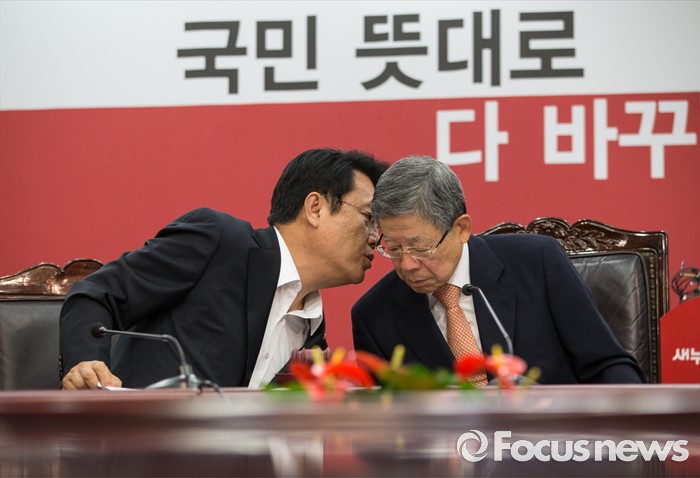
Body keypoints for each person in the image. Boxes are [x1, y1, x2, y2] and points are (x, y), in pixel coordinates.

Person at [60, 148, 388, 390]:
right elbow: (96, 294)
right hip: (138, 446)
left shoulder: (313, 327)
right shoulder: (219, 242)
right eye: (368, 218)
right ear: (315, 208)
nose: (375, 238)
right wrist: (87, 364)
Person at [351, 155, 644, 384]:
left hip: (552, 440)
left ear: (461, 228)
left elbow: (609, 366)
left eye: (421, 247)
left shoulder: (538, 264)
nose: (407, 265)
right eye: (394, 248)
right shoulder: (374, 316)